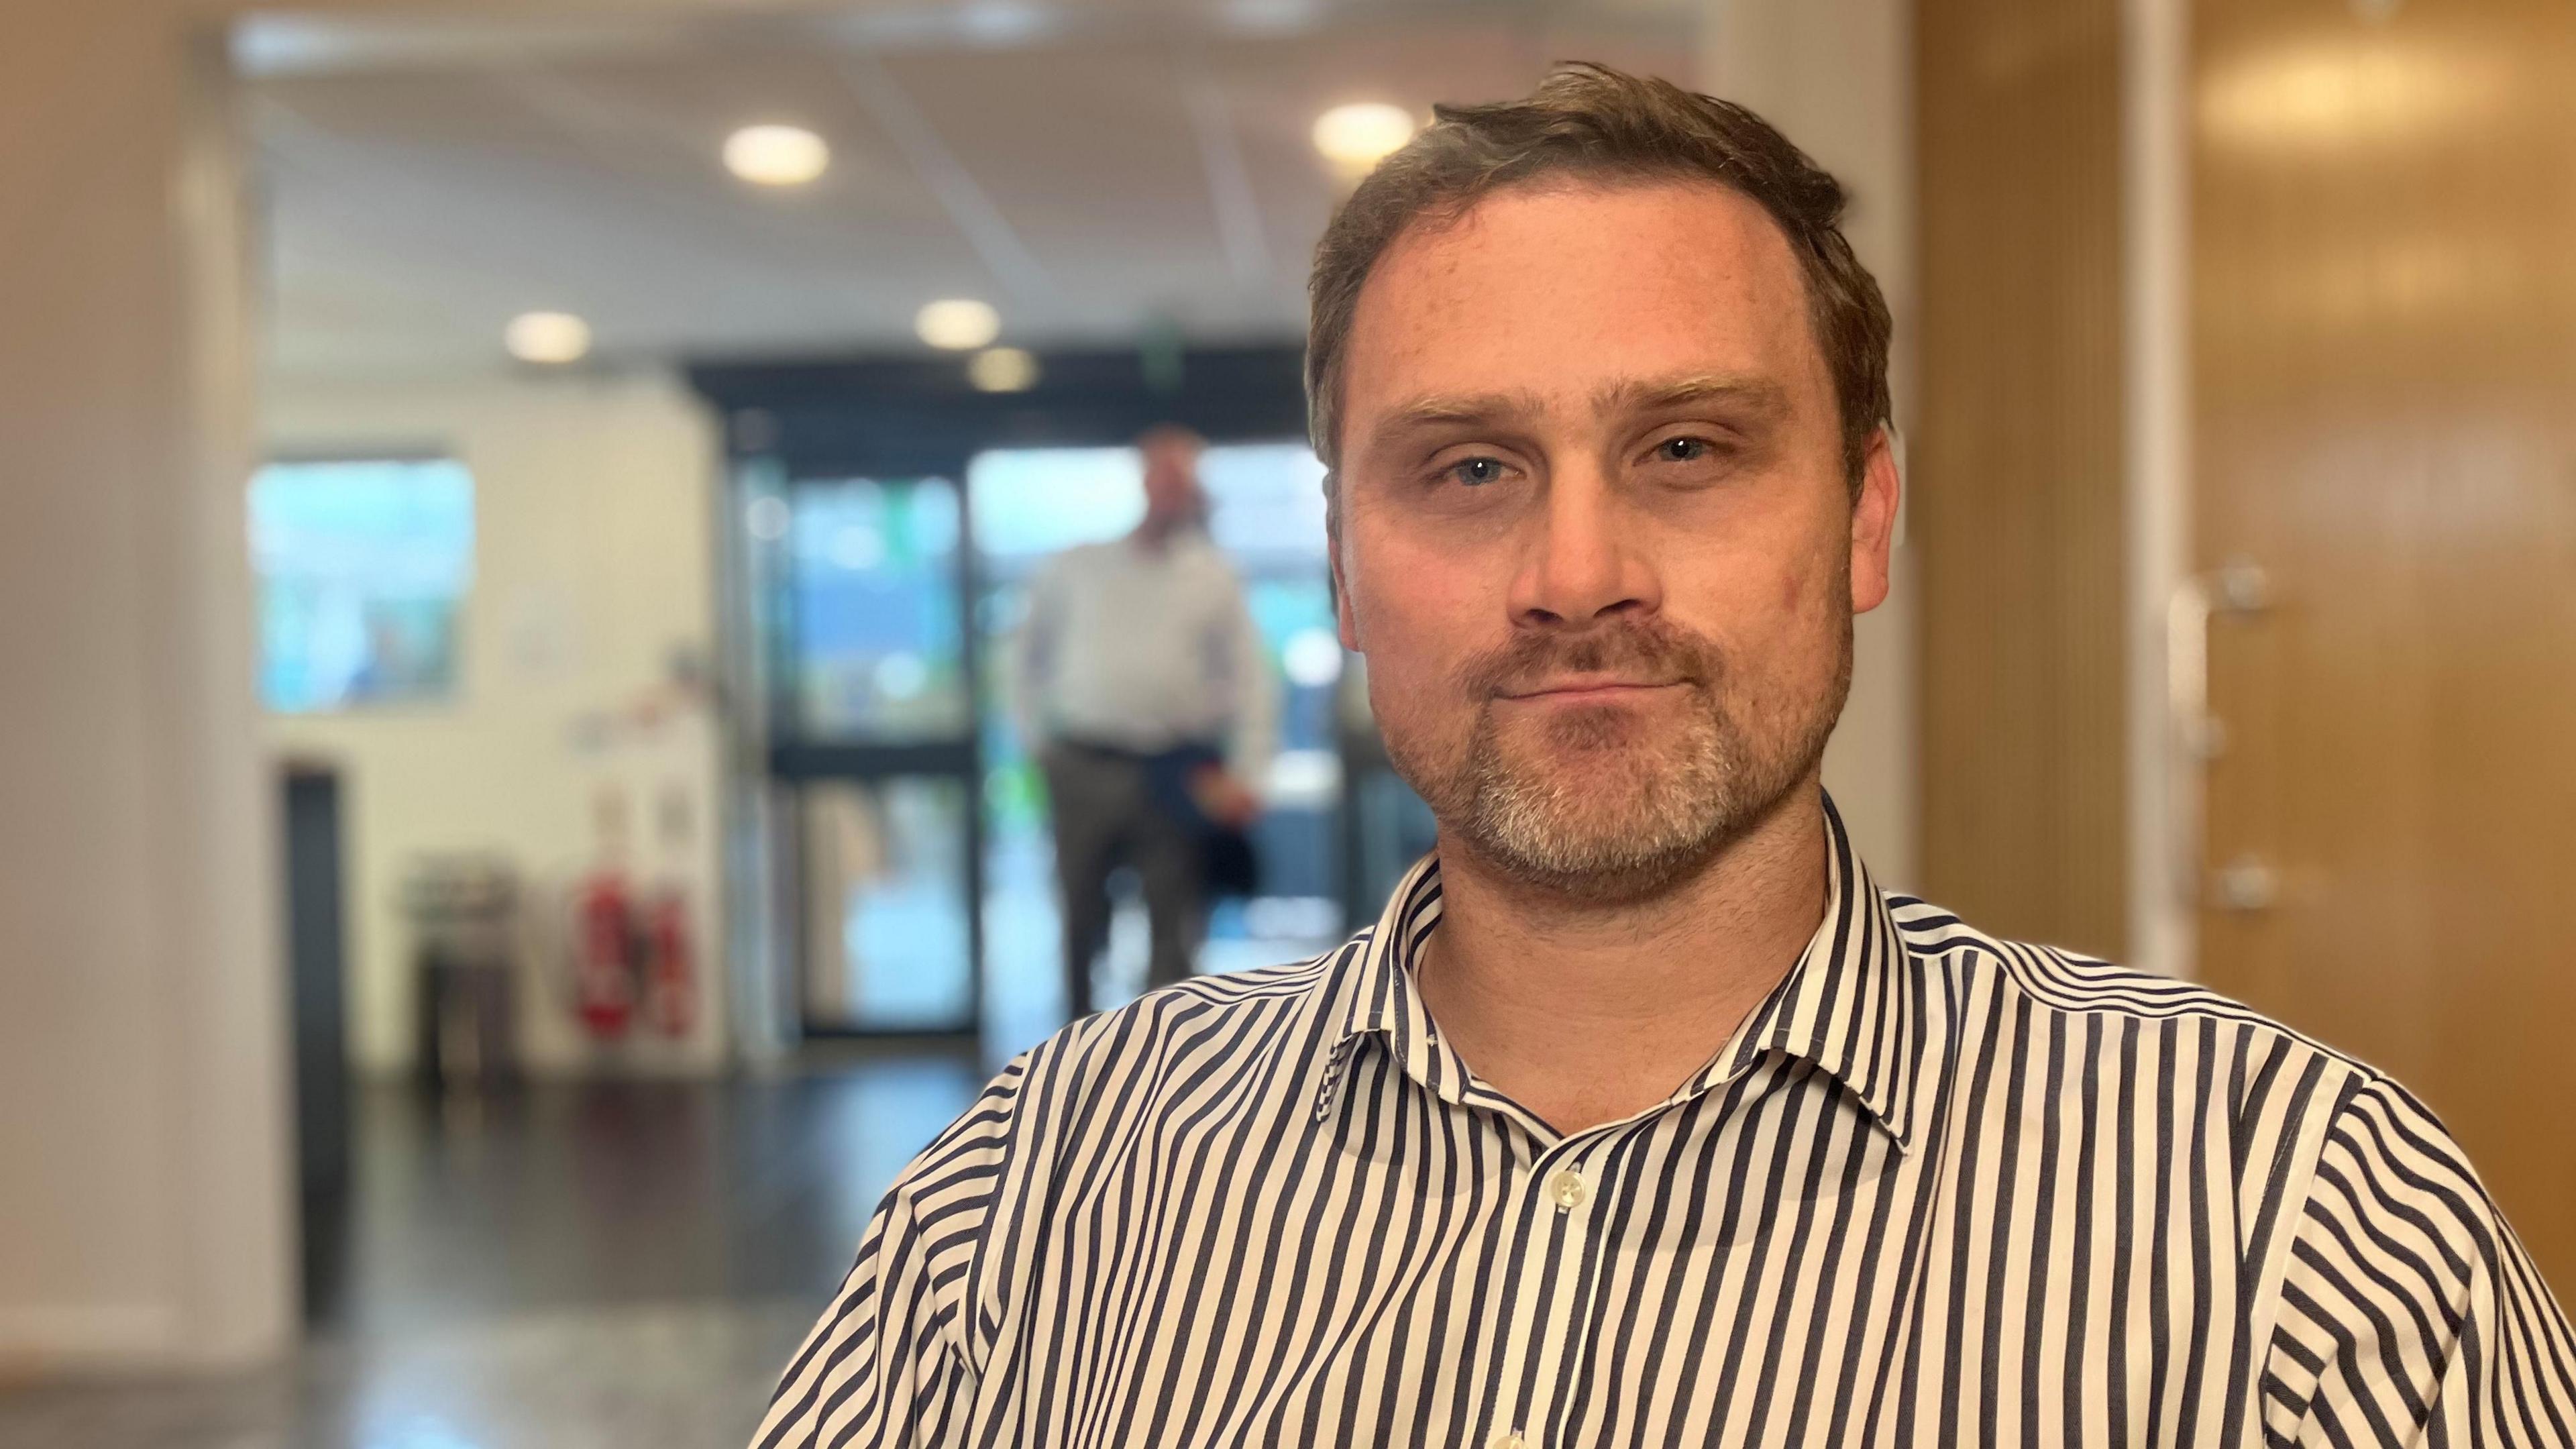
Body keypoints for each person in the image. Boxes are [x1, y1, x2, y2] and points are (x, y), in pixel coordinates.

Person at [757, 65, 2575, 1447]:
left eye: (1689, 450)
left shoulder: (2297, 1231)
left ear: (1865, 519)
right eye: (1468, 468)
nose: (1575, 581)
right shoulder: (1043, 1193)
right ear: (1345, 567)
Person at [1008, 425, 1272, 1016]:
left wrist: (1248, 774)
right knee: (1080, 918)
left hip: (1175, 769)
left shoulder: (1213, 575)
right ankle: (1073, 1062)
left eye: (1184, 478)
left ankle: (1167, 1068)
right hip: (1084, 764)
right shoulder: (1076, 566)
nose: (1172, 490)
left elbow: (1252, 680)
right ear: (1143, 479)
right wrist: (1037, 746)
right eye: (1163, 475)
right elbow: (1022, 659)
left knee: (1174, 921)